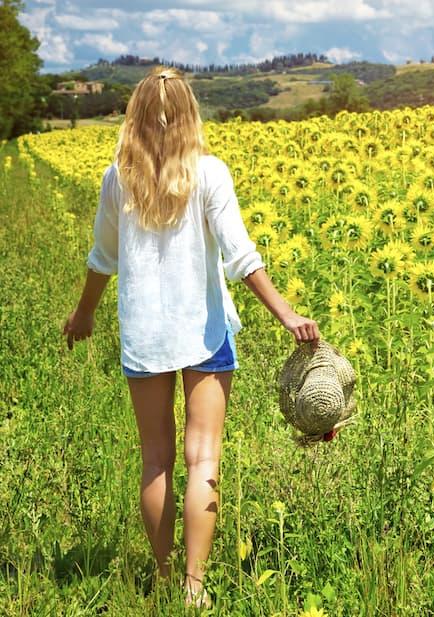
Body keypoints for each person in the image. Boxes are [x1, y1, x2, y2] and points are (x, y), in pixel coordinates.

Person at [60, 65, 320, 609]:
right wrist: (287, 314)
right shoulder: (210, 174)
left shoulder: (118, 178)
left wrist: (84, 315)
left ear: (132, 118)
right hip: (205, 334)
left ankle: (159, 576)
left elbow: (102, 259)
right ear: (190, 115)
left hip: (143, 337)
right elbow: (240, 257)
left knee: (155, 459)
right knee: (204, 459)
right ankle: (194, 589)